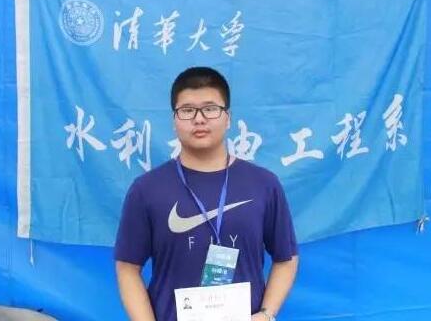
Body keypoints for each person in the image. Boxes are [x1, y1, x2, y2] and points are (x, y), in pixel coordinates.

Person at [115, 66, 299, 321]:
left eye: (210, 109)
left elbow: (286, 258)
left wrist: (267, 314)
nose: (199, 119)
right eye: (187, 110)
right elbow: (127, 267)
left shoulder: (264, 184)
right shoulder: (146, 189)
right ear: (174, 120)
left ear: (228, 118)